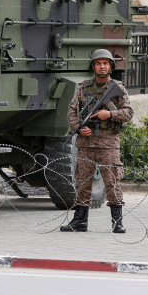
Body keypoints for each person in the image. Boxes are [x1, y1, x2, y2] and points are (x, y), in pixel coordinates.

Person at [61, 49, 133, 233]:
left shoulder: (118, 89)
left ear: (111, 66)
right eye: (98, 63)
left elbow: (128, 113)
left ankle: (117, 222)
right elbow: (71, 112)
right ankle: (80, 221)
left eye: (105, 63)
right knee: (82, 182)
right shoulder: (83, 88)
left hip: (108, 143)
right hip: (85, 143)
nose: (102, 66)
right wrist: (78, 128)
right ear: (93, 66)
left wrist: (109, 114)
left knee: (112, 181)